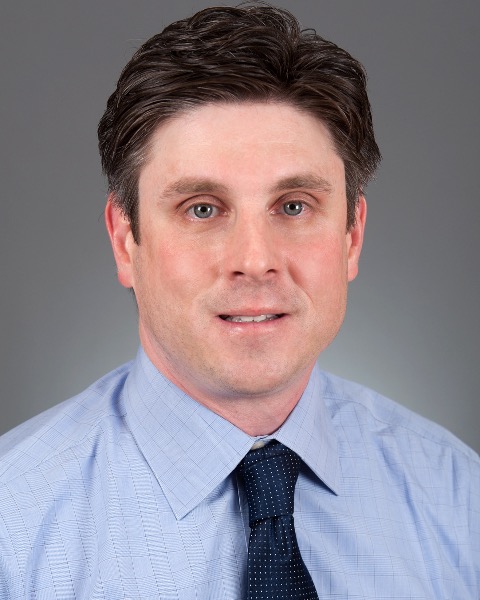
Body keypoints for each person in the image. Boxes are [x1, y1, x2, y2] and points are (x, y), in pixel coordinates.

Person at [0, 4, 478, 599]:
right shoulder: (12, 527)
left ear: (352, 235)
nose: (254, 259)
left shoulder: (458, 496)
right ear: (125, 241)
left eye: (294, 206)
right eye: (202, 208)